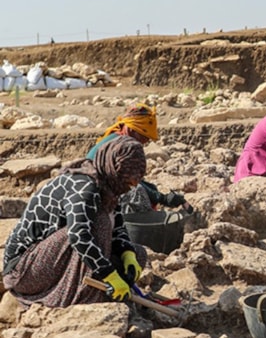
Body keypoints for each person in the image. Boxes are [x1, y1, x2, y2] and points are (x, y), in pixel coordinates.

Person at [3, 136, 148, 307]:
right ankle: (85, 301)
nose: (130, 185)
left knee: (138, 254)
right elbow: (79, 236)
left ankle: (105, 291)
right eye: (126, 180)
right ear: (113, 167)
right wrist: (109, 274)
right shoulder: (84, 187)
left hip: (54, 261)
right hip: (24, 272)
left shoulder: (108, 187)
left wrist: (127, 253)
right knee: (99, 223)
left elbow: (118, 227)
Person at [87, 103, 187, 213]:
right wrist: (162, 198)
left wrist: (158, 195)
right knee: (138, 193)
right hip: (95, 190)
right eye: (144, 137)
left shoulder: (117, 137)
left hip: (99, 185)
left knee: (150, 188)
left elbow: (130, 178)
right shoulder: (122, 146)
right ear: (131, 130)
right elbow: (128, 183)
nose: (146, 142)